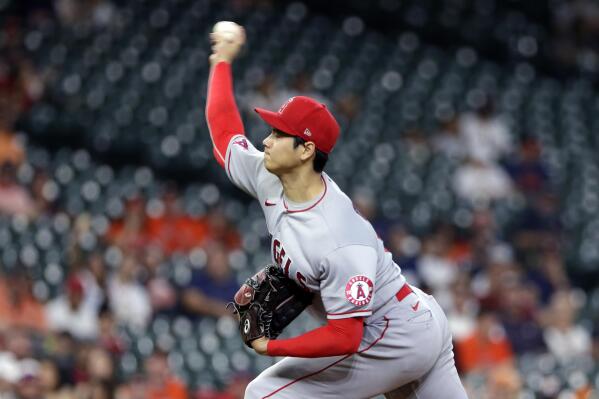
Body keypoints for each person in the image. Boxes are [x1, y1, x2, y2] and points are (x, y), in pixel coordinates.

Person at [204, 22, 467, 398]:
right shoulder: (269, 175)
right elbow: (224, 133)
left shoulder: (337, 234)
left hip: (392, 333)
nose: (267, 139)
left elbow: (346, 337)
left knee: (265, 394)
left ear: (306, 150)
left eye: (279, 134)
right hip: (412, 316)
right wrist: (222, 61)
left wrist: (271, 347)